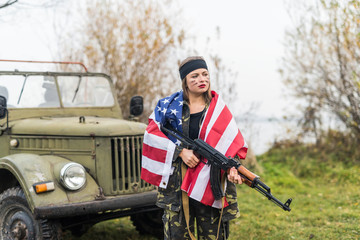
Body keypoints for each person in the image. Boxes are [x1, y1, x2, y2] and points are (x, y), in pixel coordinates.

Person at [141, 56, 248, 240]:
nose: (201, 79)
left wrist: (232, 169)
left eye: (205, 74)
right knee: (178, 235)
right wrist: (180, 152)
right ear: (185, 81)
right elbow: (152, 134)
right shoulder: (169, 107)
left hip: (210, 184)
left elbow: (230, 146)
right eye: (195, 76)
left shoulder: (218, 109)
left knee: (213, 235)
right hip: (177, 185)